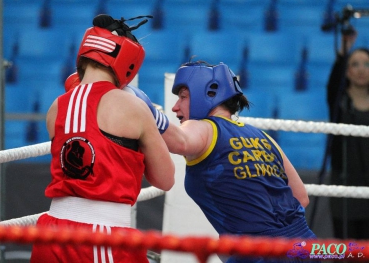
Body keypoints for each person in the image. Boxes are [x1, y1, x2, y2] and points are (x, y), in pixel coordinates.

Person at [130, 60, 318, 262]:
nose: (175, 107)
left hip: (259, 252)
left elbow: (180, 142)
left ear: (207, 94)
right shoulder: (263, 137)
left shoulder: (205, 127)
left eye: (183, 97)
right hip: (306, 245)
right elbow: (301, 197)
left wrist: (143, 109)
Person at [30, 14, 175, 263]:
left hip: (51, 233)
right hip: (103, 237)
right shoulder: (132, 106)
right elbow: (165, 179)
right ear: (128, 61)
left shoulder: (56, 106)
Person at [326, 30, 369, 240]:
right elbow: (333, 84)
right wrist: (344, 50)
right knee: (347, 252)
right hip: (344, 183)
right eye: (355, 64)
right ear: (347, 71)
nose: (361, 69)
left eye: (367, 64)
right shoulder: (339, 101)